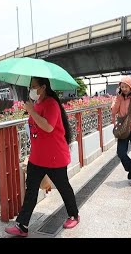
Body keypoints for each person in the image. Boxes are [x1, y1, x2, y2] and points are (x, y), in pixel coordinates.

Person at [5, 77, 79, 237]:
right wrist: (31, 111)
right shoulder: (37, 104)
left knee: (63, 187)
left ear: (43, 87)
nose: (31, 90)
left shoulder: (51, 104)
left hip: (54, 157)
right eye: (30, 87)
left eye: (34, 87)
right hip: (37, 157)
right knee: (30, 190)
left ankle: (74, 215)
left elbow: (48, 126)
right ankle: (22, 225)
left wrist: (31, 111)